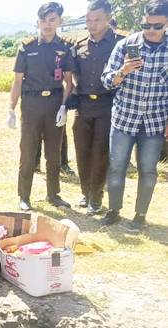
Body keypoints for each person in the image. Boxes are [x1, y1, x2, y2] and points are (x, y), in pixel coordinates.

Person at [100, 0, 168, 232]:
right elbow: (107, 80)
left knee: (148, 170)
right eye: (146, 24)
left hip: (155, 122)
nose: (150, 30)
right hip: (124, 119)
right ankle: (114, 210)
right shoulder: (126, 45)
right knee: (117, 166)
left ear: (166, 23)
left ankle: (140, 215)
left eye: (156, 26)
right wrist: (124, 71)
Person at [8, 2, 75, 212]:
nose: (48, 24)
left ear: (59, 21)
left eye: (52, 19)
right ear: (38, 22)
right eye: (44, 20)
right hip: (31, 104)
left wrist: (64, 106)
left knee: (53, 153)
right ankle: (24, 196)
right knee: (28, 150)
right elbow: (17, 81)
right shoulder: (26, 47)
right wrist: (11, 108)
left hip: (55, 103)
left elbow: (68, 81)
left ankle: (53, 194)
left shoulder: (65, 47)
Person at [70, 0, 125, 216]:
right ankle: (85, 192)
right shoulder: (80, 45)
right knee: (82, 150)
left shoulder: (120, 43)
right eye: (89, 20)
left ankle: (96, 197)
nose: (92, 24)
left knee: (100, 152)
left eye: (97, 20)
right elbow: (74, 74)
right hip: (83, 105)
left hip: (107, 104)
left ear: (108, 19)